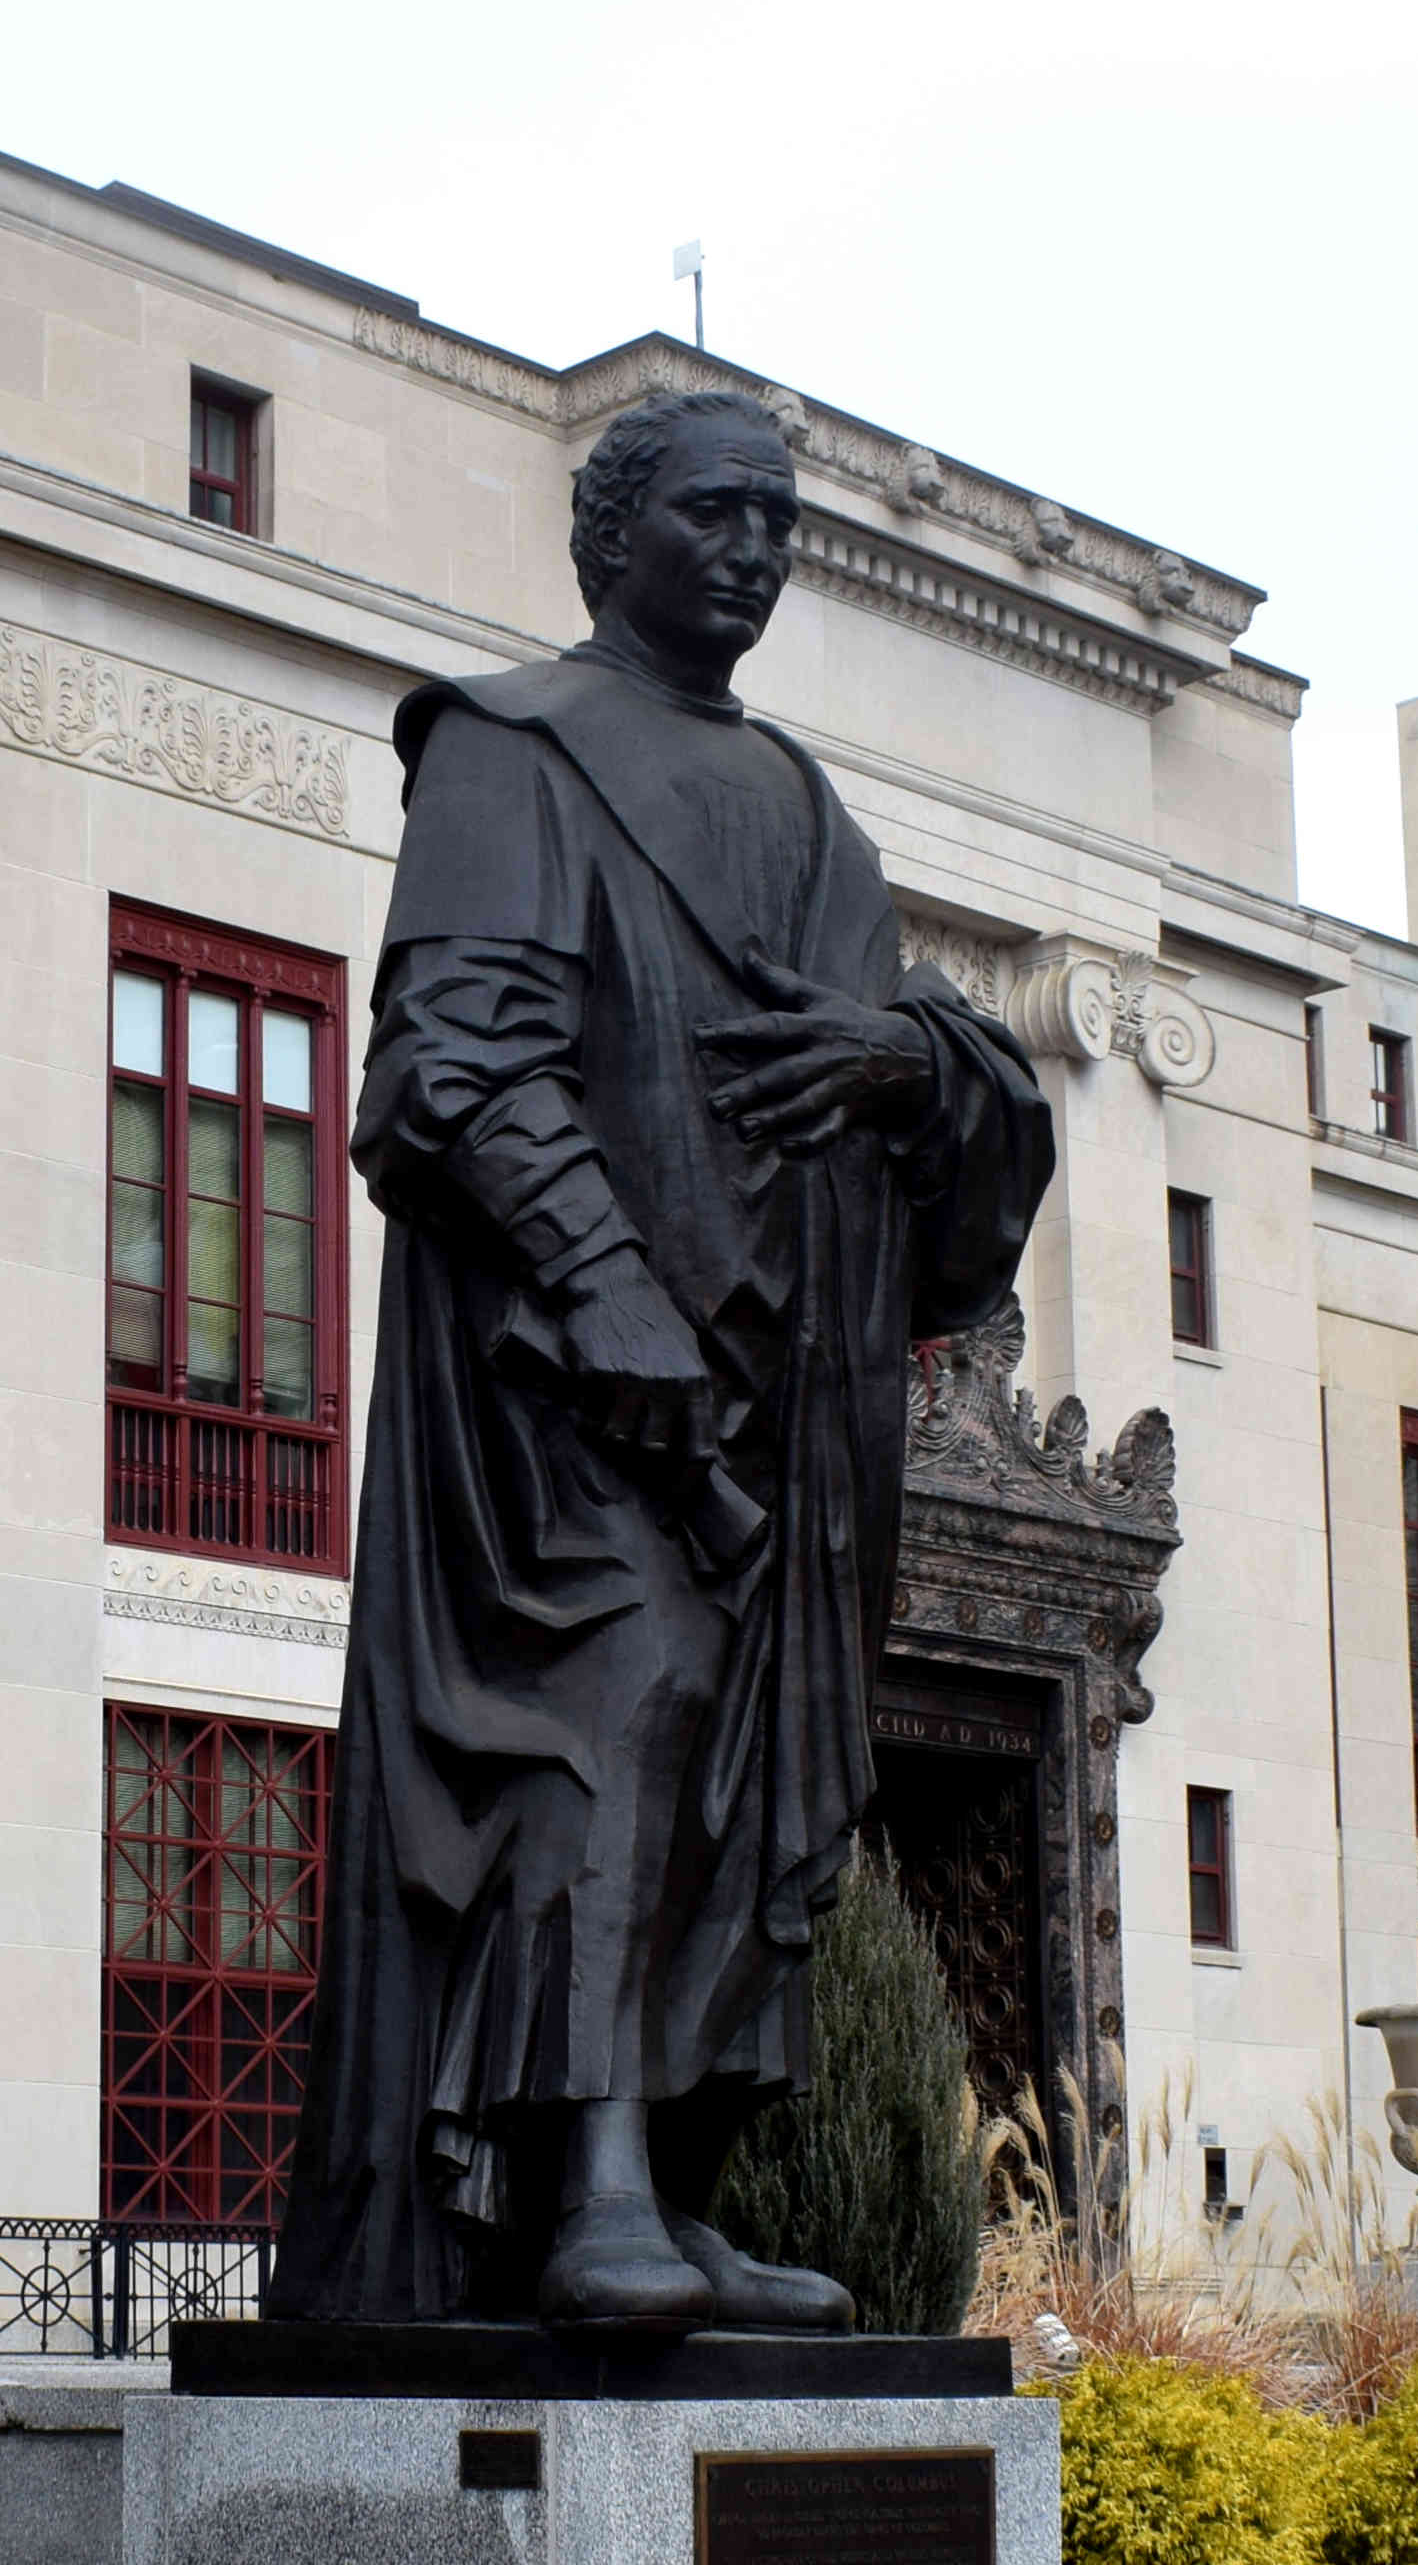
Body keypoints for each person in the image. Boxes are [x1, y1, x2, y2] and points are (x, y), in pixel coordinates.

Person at [272, 392, 1056, 2336]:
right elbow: (446, 1059)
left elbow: (939, 1064)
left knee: (743, 1760)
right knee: (619, 1707)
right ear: (611, 533)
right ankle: (585, 2187)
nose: (754, 550)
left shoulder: (801, 803)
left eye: (780, 524)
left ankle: (668, 2189)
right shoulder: (506, 745)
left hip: (779, 1406)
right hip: (565, 1374)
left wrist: (910, 1062)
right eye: (715, 512)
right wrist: (602, 1282)